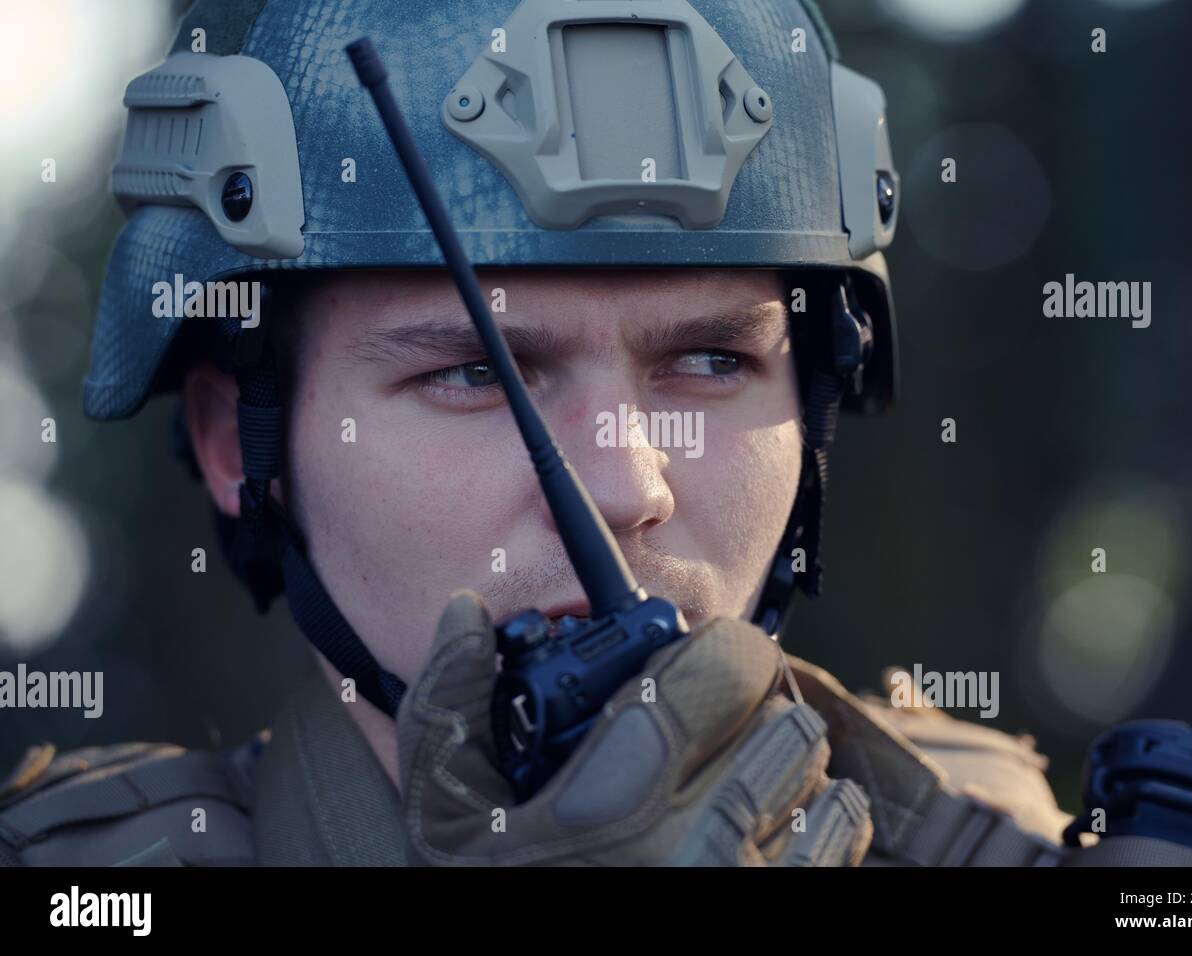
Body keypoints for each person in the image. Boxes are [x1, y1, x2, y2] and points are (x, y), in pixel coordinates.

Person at [0, 0, 1121, 867]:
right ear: (240, 445)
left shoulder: (1008, 830)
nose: (624, 484)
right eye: (476, 373)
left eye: (712, 361)